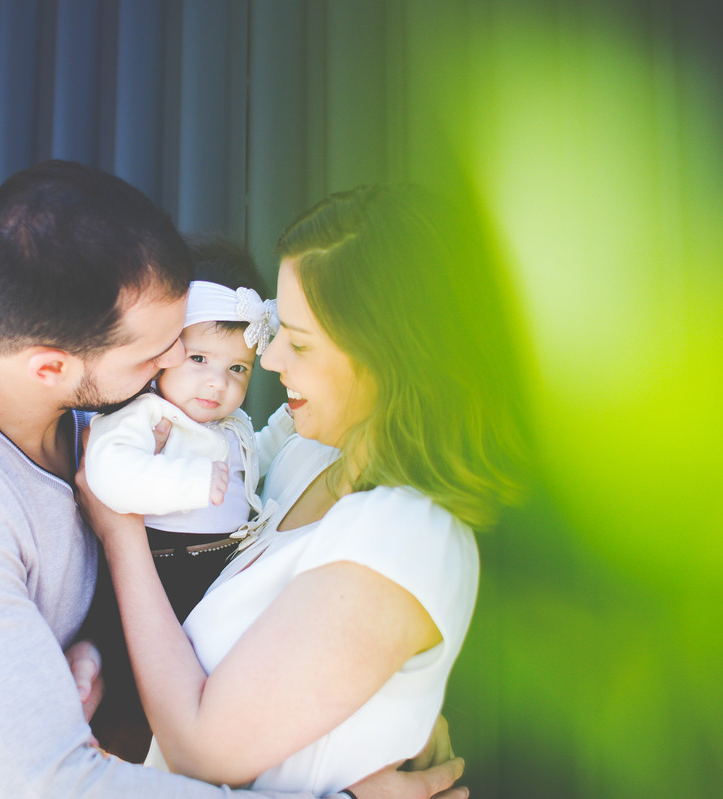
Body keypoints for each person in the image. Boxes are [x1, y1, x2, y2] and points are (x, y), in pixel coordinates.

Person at [0, 160, 468, 799]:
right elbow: (51, 786)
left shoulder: (103, 417)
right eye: (155, 353)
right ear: (52, 366)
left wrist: (368, 698)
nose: (180, 366)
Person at [79, 182, 527, 795]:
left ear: (387, 358)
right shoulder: (301, 457)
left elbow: (202, 752)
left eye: (300, 340)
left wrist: (120, 532)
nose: (267, 360)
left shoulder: (408, 534)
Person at [84, 239, 281, 621]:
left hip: (221, 564)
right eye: (200, 359)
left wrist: (282, 430)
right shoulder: (147, 413)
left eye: (237, 368)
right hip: (165, 566)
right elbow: (109, 471)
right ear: (166, 350)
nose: (217, 383)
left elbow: (248, 459)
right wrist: (189, 482)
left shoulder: (230, 423)